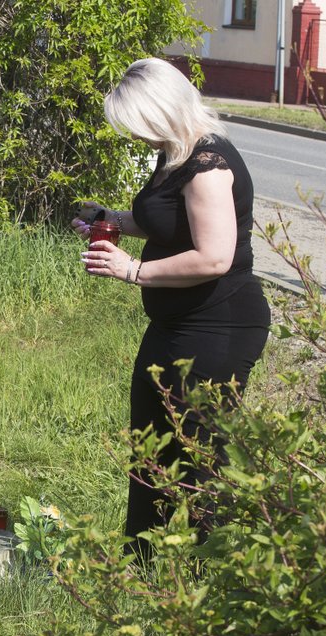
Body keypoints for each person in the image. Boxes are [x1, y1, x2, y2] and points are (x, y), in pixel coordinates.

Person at [71, 58, 270, 558]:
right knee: (150, 448)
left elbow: (215, 256)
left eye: (141, 125)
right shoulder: (175, 154)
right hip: (174, 323)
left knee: (200, 457)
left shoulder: (208, 165)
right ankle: (140, 569)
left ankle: (211, 581)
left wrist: (133, 271)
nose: (138, 138)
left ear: (164, 111)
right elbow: (169, 222)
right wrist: (111, 220)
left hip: (219, 327)